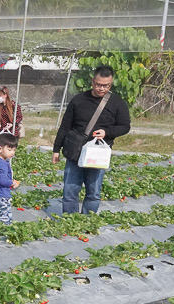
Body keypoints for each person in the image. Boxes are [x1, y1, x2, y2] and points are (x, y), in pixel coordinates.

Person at [51, 65, 131, 214]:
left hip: (98, 154)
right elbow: (65, 126)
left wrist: (106, 132)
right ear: (93, 82)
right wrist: (56, 149)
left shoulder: (117, 103)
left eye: (106, 85)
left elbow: (125, 126)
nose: (102, 88)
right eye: (99, 84)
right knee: (70, 190)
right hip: (76, 152)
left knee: (93, 192)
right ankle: (70, 221)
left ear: (111, 83)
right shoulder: (78, 100)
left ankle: (87, 223)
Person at [0, 133, 20, 225]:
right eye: (9, 150)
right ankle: (5, 234)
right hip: (2, 196)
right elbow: (3, 181)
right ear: (0, 149)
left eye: (14, 150)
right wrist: (12, 183)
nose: (12, 153)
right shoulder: (2, 164)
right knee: (5, 217)